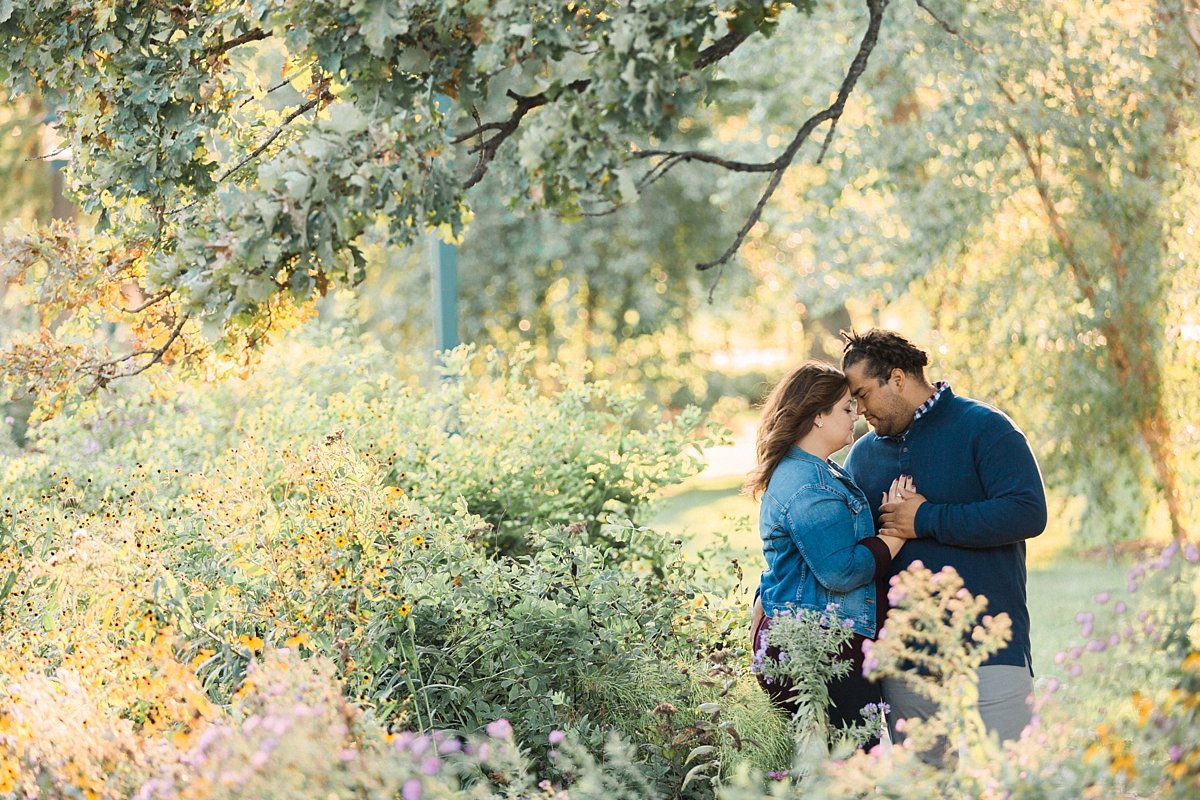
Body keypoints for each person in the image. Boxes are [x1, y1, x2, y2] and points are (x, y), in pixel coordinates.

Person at [839, 329, 1048, 747]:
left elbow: (1028, 512)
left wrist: (926, 518)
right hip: (906, 657)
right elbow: (837, 544)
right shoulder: (863, 456)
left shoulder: (986, 428)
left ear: (897, 379)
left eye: (863, 394)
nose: (859, 410)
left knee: (1013, 778)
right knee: (923, 786)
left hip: (991, 647)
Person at [745, 360, 907, 746]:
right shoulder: (809, 483)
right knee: (849, 767)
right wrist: (897, 532)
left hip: (812, 642)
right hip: (820, 650)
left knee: (828, 766)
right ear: (817, 415)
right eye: (846, 408)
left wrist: (761, 603)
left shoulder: (818, 471)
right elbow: (840, 570)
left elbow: (788, 563)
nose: (857, 415)